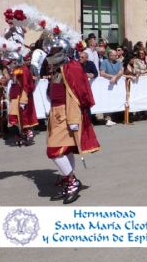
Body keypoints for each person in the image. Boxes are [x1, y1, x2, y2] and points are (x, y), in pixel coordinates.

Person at [46, 33, 100, 204]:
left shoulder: (73, 67)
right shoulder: (58, 68)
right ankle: (67, 181)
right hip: (56, 113)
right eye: (51, 50)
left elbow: (77, 96)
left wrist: (74, 120)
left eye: (55, 50)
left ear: (64, 51)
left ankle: (72, 181)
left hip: (67, 114)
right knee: (66, 150)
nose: (52, 53)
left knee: (53, 151)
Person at [7, 54, 38, 146]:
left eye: (12, 61)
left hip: (23, 96)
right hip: (16, 95)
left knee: (24, 116)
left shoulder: (23, 70)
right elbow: (14, 82)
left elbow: (26, 85)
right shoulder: (16, 69)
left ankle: (28, 132)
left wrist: (23, 99)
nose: (10, 63)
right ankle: (21, 133)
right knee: (18, 116)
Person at [99, 49, 124, 126]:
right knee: (107, 100)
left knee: (117, 99)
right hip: (107, 85)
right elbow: (102, 73)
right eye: (115, 55)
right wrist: (112, 77)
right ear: (110, 56)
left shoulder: (118, 62)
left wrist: (115, 77)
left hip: (116, 84)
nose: (117, 56)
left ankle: (116, 117)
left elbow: (121, 71)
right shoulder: (104, 62)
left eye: (117, 55)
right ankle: (107, 118)